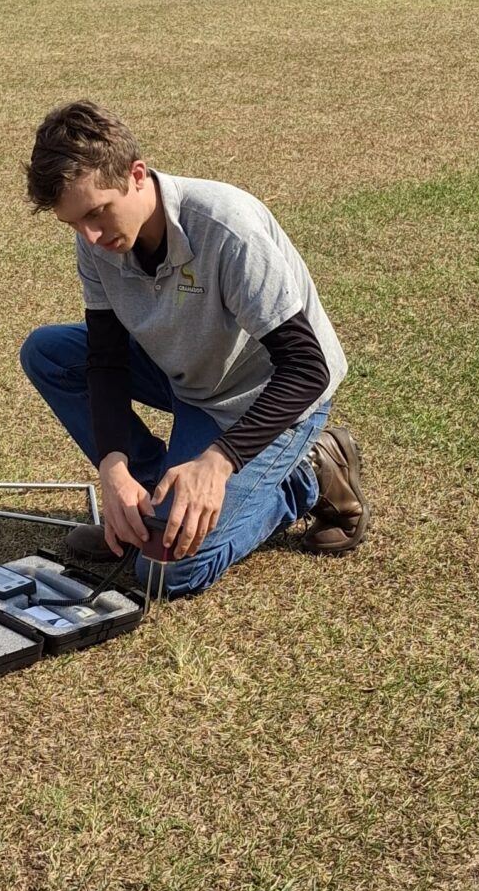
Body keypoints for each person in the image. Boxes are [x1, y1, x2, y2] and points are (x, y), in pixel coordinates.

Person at [19, 101, 368, 598]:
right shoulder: (98, 241)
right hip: (186, 374)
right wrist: (113, 467)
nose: (91, 237)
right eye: (74, 224)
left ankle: (307, 473)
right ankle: (144, 515)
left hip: (268, 397)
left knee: (167, 574)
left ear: (137, 175)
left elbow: (307, 368)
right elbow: (107, 358)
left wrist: (219, 461)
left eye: (97, 213)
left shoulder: (227, 228)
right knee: (48, 352)